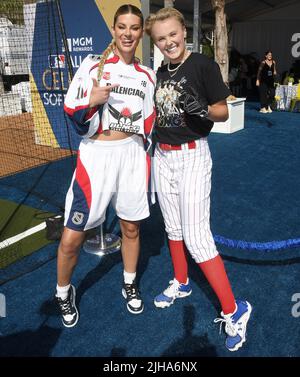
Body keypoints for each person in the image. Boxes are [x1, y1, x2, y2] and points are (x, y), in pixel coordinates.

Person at [145, 7, 252, 352]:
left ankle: (235, 310)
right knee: (173, 229)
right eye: (161, 39)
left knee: (198, 238)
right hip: (163, 156)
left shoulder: (202, 65)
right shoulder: (162, 71)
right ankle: (181, 281)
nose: (168, 42)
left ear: (184, 31)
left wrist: (202, 109)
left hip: (192, 156)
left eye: (172, 34)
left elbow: (224, 110)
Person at [56, 4, 156, 327]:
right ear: (113, 30)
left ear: (141, 33)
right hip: (97, 155)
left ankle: (129, 282)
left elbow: (151, 120)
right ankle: (63, 292)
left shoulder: (147, 76)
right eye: (122, 27)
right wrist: (92, 102)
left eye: (134, 28)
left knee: (130, 227)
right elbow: (71, 109)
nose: (128, 33)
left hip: (130, 155)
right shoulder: (91, 66)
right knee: (72, 235)